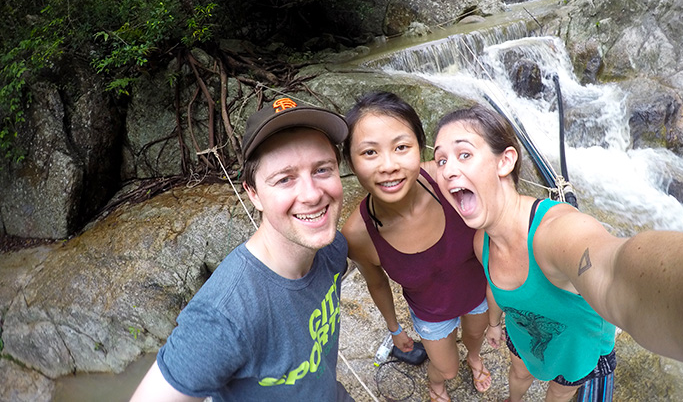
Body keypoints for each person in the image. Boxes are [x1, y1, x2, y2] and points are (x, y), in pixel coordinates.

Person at [432, 103, 683, 402]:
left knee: (560, 391)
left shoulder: (554, 234)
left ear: (505, 161)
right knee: (519, 373)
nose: (448, 170)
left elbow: (614, 272)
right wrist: (494, 323)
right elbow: (494, 285)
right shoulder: (481, 240)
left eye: (464, 154)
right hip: (525, 336)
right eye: (440, 160)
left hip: (576, 350)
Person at [130, 96, 354, 402]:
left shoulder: (332, 249)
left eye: (322, 170)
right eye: (285, 179)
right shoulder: (225, 315)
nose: (312, 194)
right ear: (254, 194)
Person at [341, 92, 492, 402]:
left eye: (401, 147)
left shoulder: (448, 180)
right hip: (431, 313)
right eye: (370, 152)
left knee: (475, 338)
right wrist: (395, 328)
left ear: (419, 147)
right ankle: (437, 385)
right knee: (445, 369)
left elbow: (503, 217)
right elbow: (376, 282)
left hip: (477, 292)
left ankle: (474, 359)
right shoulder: (358, 234)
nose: (388, 166)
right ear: (351, 162)